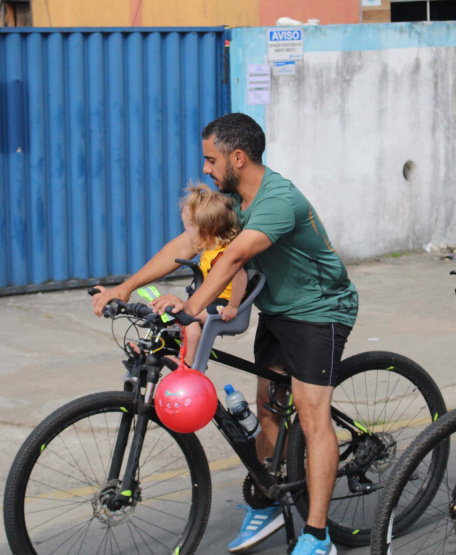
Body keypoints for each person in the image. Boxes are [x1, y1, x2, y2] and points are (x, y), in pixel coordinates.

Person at [92, 113, 359, 555]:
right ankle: (271, 498)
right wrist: (125, 287)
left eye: (211, 160)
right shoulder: (231, 202)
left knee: (313, 418)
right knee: (268, 408)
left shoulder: (277, 200)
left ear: (238, 157)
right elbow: (186, 246)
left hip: (319, 311)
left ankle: (317, 536)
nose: (206, 170)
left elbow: (233, 258)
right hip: (278, 311)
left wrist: (191, 308)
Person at [176, 182, 249, 366]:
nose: (186, 233)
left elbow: (240, 276)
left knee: (188, 319)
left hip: (221, 305)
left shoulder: (222, 254)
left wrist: (232, 306)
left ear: (206, 231)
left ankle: (188, 363)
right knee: (172, 317)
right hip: (211, 301)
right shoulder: (210, 250)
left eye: (188, 229)